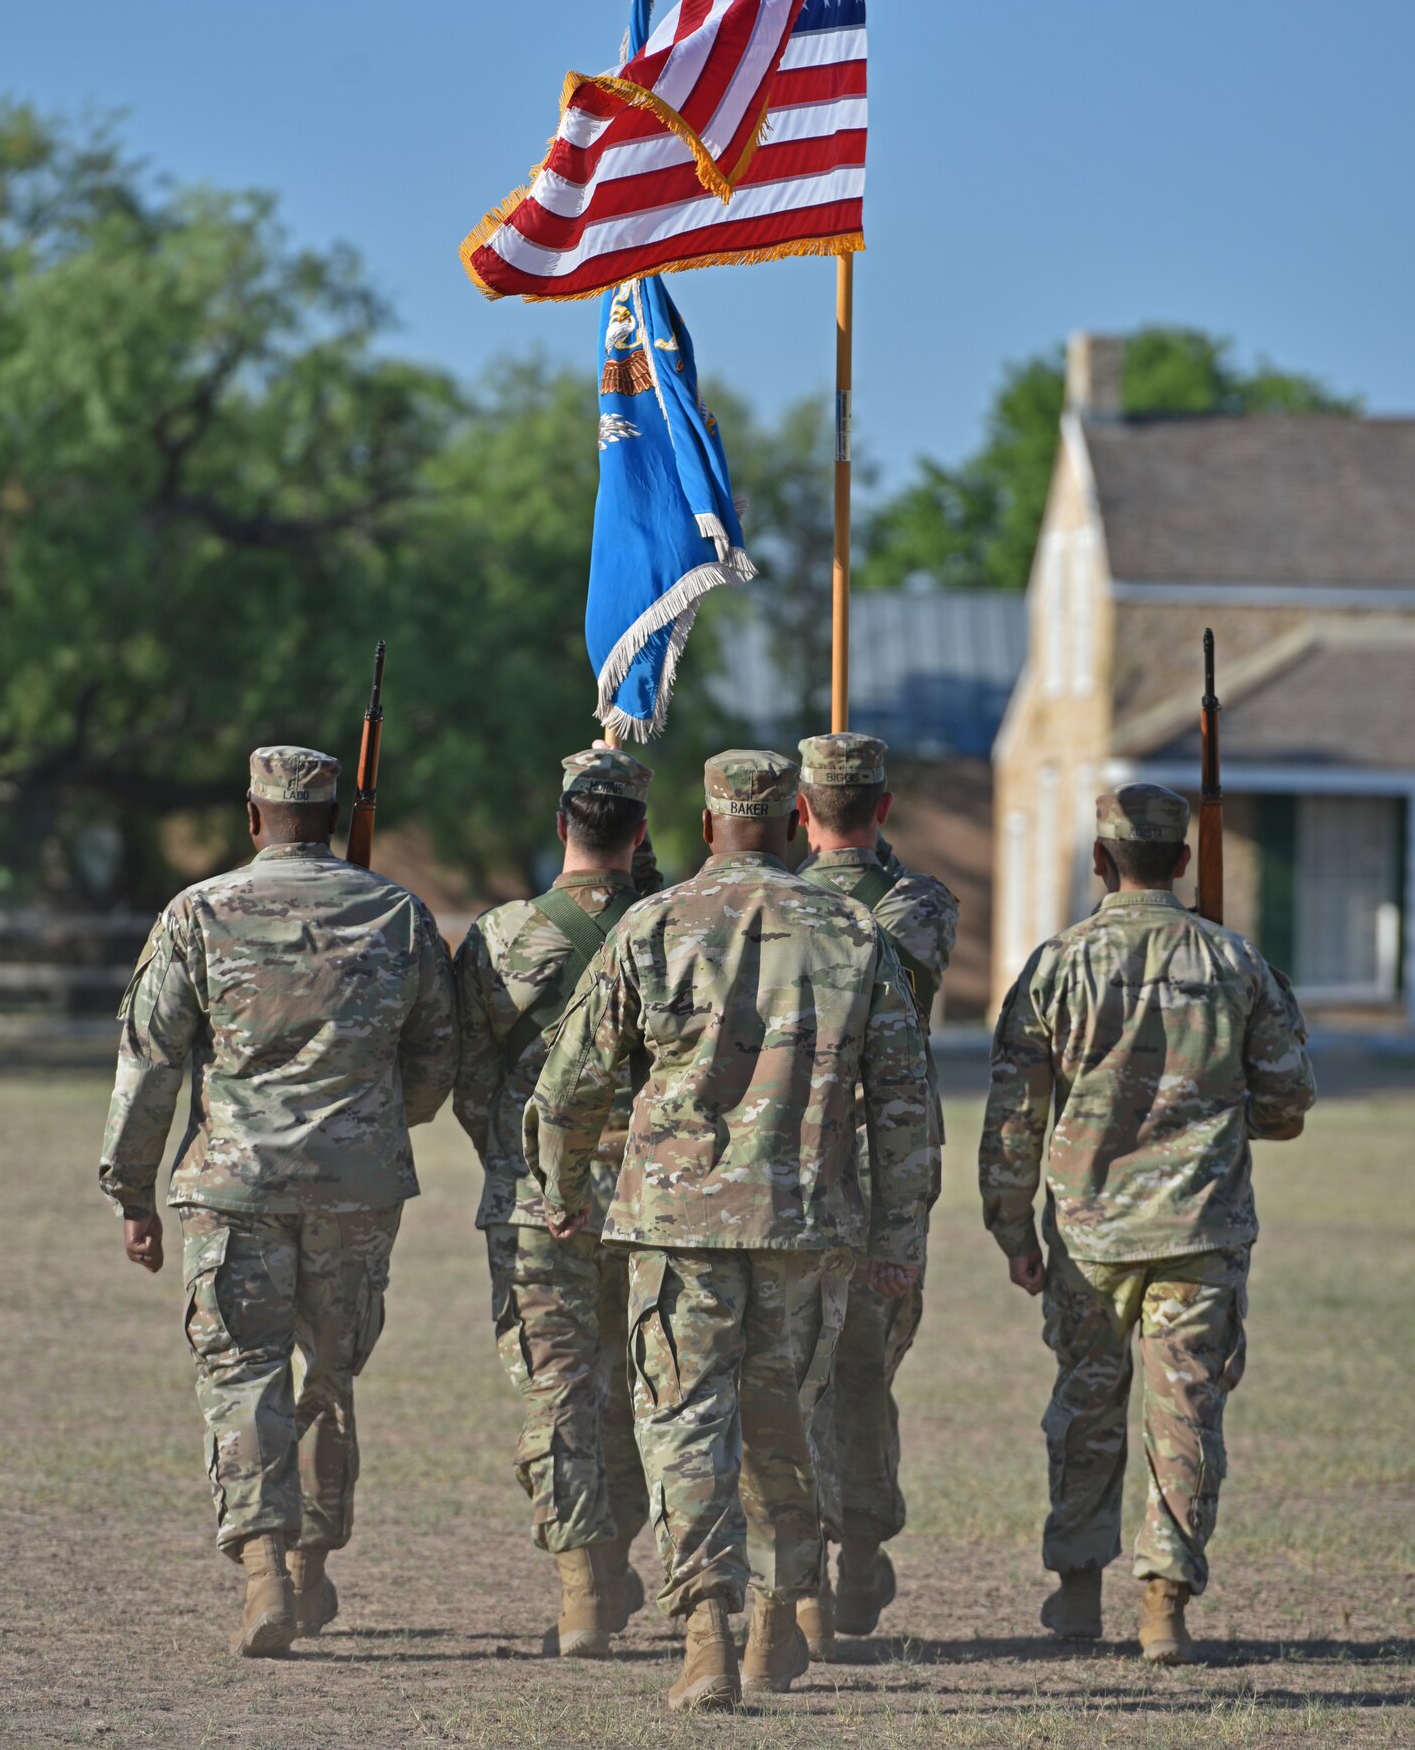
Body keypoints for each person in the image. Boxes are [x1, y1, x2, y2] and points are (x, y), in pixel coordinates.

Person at [526, 749, 931, 1712]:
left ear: (706, 827)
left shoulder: (651, 924)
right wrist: (897, 1240)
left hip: (678, 1225)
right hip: (805, 1225)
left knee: (683, 1428)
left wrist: (563, 1189)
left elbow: (571, 1082)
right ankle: (780, 1618)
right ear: (792, 819)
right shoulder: (851, 930)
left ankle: (705, 1635)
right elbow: (907, 1106)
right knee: (785, 1426)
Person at [100, 745, 458, 1657]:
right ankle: (306, 1567)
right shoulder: (400, 915)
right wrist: (374, 1124)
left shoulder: (201, 913)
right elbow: (432, 1064)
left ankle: (263, 1568)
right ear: (332, 819)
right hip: (358, 1189)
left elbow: (151, 1062)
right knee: (326, 1377)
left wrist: (130, 1188)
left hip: (235, 1185)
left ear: (254, 818)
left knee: (241, 1374)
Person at [980, 783, 1316, 1664]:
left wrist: (1011, 1229)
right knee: (1186, 1415)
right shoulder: (1233, 962)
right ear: (1182, 860)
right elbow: (1285, 1105)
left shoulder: (1057, 966)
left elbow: (1015, 1115)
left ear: (1099, 861)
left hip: (1089, 1237)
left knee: (1086, 1406)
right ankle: (1163, 1602)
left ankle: (1077, 1589)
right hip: (1199, 1231)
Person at [453, 746, 656, 1660]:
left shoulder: (500, 937)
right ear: (642, 833)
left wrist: (510, 1155)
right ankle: (612, 1566)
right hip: (658, 1203)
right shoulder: (672, 929)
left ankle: (583, 1594)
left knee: (560, 1392)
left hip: (537, 1202)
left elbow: (463, 1073)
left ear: (561, 829)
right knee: (646, 1391)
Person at [794, 731, 958, 1653]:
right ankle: (856, 1552)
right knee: (864, 1372)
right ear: (883, 810)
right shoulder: (922, 903)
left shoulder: (776, 908)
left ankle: (808, 1573)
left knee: (793, 1374)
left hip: (796, 1166)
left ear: (798, 812)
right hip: (887, 1169)